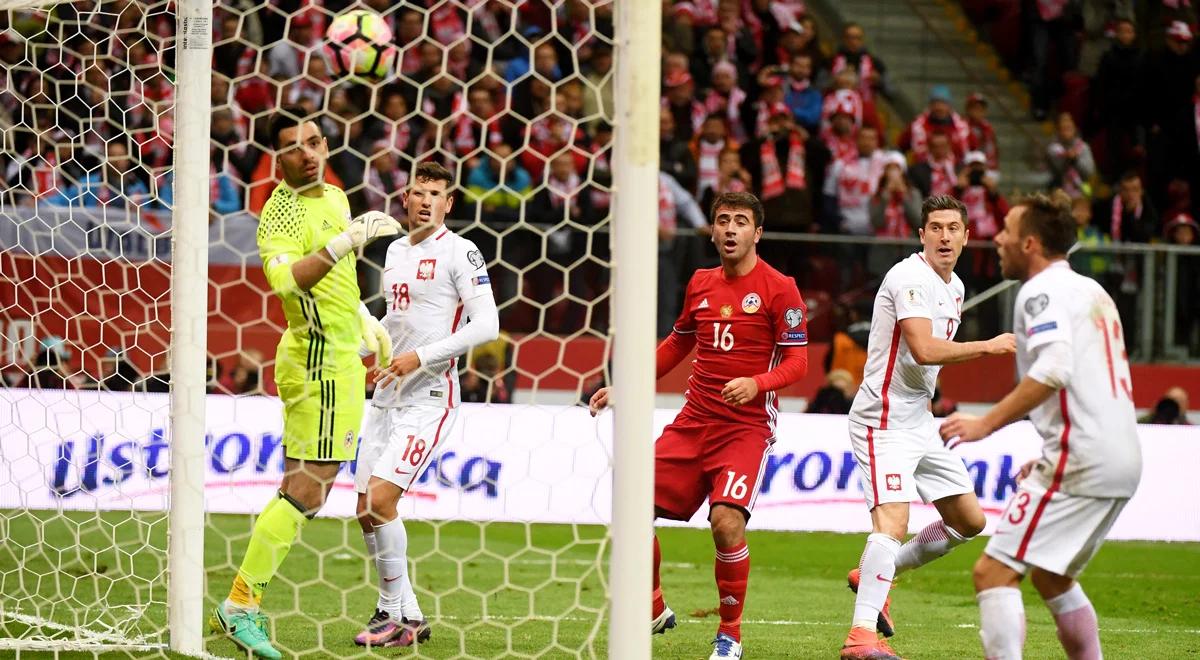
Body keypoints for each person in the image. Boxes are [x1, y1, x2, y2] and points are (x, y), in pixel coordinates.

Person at [210, 106, 401, 660]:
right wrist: (345, 244)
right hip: (315, 361)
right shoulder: (280, 214)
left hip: (342, 357)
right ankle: (241, 605)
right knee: (307, 486)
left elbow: (338, 283)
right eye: (295, 146)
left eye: (316, 141)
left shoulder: (337, 197)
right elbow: (289, 282)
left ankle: (242, 602)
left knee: (312, 491)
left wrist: (363, 318)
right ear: (278, 156)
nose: (310, 153)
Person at [589, 191, 810, 660]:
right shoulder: (700, 282)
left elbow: (798, 361)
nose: (730, 229)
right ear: (712, 230)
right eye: (723, 221)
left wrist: (758, 382)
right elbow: (677, 343)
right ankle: (651, 606)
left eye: (741, 222)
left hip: (745, 428)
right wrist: (627, 385)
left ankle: (730, 636)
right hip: (695, 420)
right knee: (629, 503)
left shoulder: (780, 287)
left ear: (758, 233)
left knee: (726, 522)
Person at [940, 192, 1143, 660]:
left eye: (1007, 230)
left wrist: (984, 424)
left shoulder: (1040, 292)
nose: (998, 239)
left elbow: (1055, 368)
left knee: (992, 574)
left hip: (1085, 455)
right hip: (1118, 454)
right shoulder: (1091, 290)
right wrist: (1056, 449)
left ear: (1029, 243)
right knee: (1052, 576)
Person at [840, 195, 1016, 659]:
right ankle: (860, 637)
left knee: (969, 521)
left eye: (952, 228)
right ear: (921, 235)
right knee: (892, 522)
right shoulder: (908, 277)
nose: (943, 235)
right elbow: (922, 349)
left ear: (965, 236)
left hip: (919, 417)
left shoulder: (954, 286)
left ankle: (878, 572)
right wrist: (990, 346)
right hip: (883, 415)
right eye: (934, 227)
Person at [353, 161, 500, 648]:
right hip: (385, 395)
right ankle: (408, 616)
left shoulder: (463, 251)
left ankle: (390, 616)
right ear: (405, 198)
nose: (424, 201)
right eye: (417, 192)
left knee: (380, 500)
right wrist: (368, 353)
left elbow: (486, 326)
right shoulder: (394, 250)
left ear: (448, 203)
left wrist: (420, 357)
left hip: (431, 397)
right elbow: (394, 321)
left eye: (435, 193)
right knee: (363, 510)